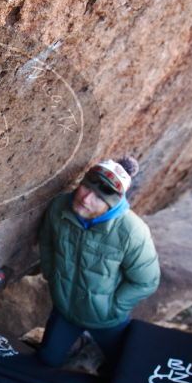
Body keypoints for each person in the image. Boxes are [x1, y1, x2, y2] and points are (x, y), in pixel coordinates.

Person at [38, 156, 160, 370]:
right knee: (46, 361)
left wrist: (112, 308)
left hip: (107, 320)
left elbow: (146, 281)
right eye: (86, 187)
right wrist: (51, 274)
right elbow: (47, 242)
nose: (85, 198)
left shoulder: (132, 231)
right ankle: (79, 345)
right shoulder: (60, 207)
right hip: (65, 309)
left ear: (113, 203)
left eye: (98, 197)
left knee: (122, 369)